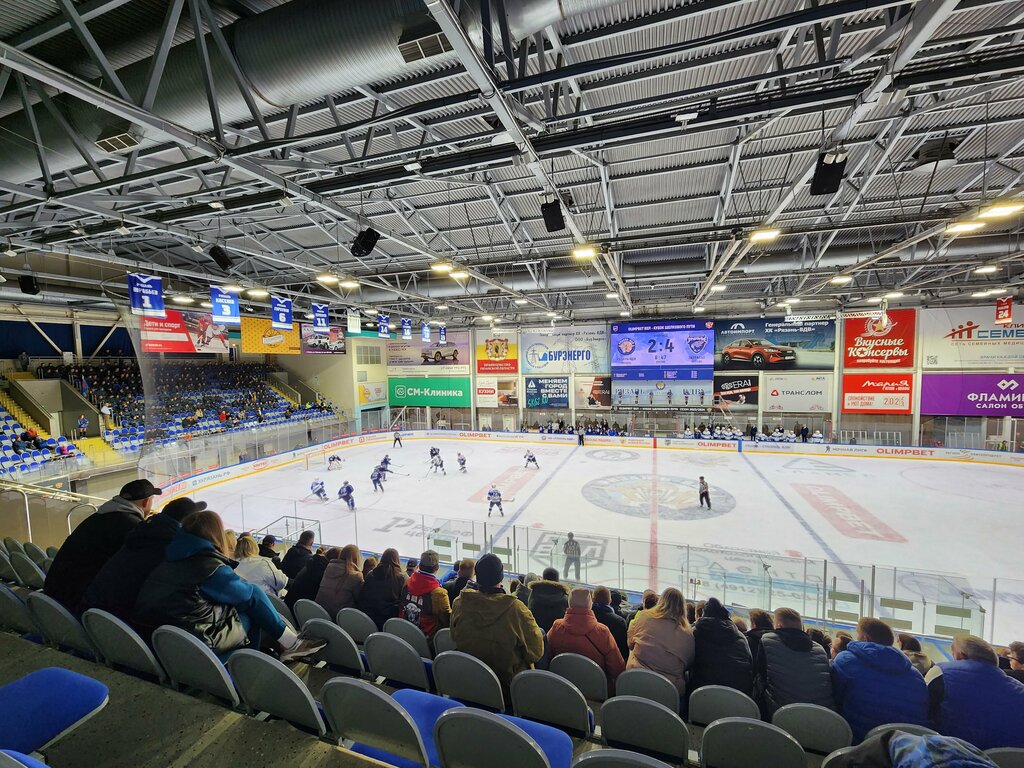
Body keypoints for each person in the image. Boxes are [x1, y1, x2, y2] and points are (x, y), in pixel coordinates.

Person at [133, 510, 325, 661]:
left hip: (161, 638)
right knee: (253, 602)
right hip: (197, 644)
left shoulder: (169, 561)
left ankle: (279, 647)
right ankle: (274, 653)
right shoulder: (208, 567)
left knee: (245, 601)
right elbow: (250, 595)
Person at [45, 479, 163, 611]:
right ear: (146, 502)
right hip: (76, 600)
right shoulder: (131, 527)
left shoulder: (97, 517)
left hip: (54, 592)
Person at [79, 496, 205, 619]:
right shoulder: (170, 549)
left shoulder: (141, 532)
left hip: (93, 612)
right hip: (117, 620)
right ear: (185, 524)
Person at [451, 553, 543, 696]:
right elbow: (536, 652)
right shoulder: (517, 609)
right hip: (506, 688)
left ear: (477, 575)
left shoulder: (460, 602)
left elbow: (454, 635)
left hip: (469, 680)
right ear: (501, 577)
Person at [832, 617, 929, 741]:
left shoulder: (845, 661)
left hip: (857, 744)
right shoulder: (916, 677)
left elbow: (834, 698)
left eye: (858, 634)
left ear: (865, 638)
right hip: (900, 749)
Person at [926, 635, 1024, 750]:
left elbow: (923, 710)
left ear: (960, 655)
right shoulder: (1019, 690)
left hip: (951, 753)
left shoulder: (943, 672)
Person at [753, 607, 834, 719]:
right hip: (820, 717)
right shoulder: (820, 649)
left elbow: (761, 676)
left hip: (782, 715)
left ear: (779, 626)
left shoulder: (767, 640)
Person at [548, 588, 625, 693]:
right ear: (590, 604)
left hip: (563, 686)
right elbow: (617, 669)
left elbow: (546, 656)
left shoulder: (557, 627)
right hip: (596, 691)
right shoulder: (602, 632)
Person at [626, 587, 695, 696]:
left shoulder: (643, 617)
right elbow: (688, 663)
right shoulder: (688, 634)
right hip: (668, 691)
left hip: (635, 680)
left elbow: (630, 644)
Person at [689, 597, 753, 697]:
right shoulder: (740, 636)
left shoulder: (695, 632)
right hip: (738, 695)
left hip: (703, 692)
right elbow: (749, 663)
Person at [399, 550, 450, 639]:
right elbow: (447, 620)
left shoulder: (407, 582)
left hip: (404, 633)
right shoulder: (439, 594)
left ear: (419, 566)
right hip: (427, 641)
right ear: (437, 568)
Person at [358, 548, 407, 630]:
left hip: (368, 619)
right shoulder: (402, 578)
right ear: (397, 560)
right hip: (389, 622)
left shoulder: (371, 574)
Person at [316, 544, 363, 616]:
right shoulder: (356, 576)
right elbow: (359, 598)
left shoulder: (329, 566)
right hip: (338, 616)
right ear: (356, 558)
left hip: (318, 611)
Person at [527, 567, 570, 632]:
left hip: (536, 634)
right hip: (556, 636)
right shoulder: (565, 598)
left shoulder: (533, 594)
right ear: (557, 580)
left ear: (543, 579)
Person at [593, 586, 628, 662]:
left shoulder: (589, 616)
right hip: (611, 664)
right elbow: (624, 652)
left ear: (593, 599)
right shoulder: (619, 622)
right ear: (609, 600)